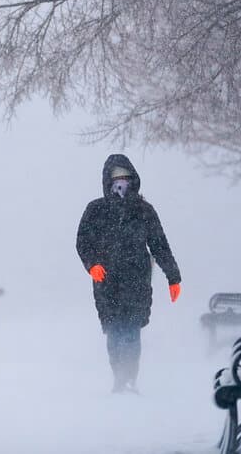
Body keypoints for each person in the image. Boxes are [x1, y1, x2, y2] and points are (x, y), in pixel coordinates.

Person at [75, 154, 182, 394]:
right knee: (114, 332)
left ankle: (130, 378)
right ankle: (118, 377)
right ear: (107, 182)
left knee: (132, 332)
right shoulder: (96, 210)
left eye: (125, 178)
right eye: (116, 179)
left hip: (136, 281)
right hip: (107, 283)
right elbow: (83, 242)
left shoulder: (143, 210)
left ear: (133, 179)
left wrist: (173, 276)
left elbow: (159, 245)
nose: (120, 183)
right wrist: (92, 264)